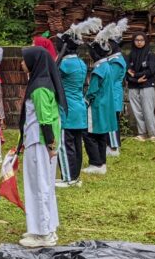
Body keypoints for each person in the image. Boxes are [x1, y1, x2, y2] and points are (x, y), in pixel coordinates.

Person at [17, 46, 64, 248]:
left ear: (34, 62)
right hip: (39, 141)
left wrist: (51, 144)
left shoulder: (39, 88)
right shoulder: (41, 83)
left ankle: (44, 233)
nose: (21, 63)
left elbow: (45, 119)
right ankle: (44, 228)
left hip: (40, 142)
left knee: (39, 185)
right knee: (43, 185)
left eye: (24, 60)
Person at [83, 20, 126, 175]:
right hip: (106, 97)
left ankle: (109, 150)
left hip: (103, 100)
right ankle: (103, 157)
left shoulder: (103, 67)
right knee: (104, 128)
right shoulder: (107, 64)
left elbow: (94, 89)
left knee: (98, 129)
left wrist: (85, 100)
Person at [53, 34, 87, 188]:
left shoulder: (64, 65)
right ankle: (75, 176)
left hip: (67, 109)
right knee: (76, 144)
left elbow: (52, 78)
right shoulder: (81, 63)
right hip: (79, 108)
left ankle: (68, 178)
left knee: (65, 144)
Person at [126, 33, 155, 141]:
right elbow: (126, 73)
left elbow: (151, 71)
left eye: (141, 40)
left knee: (148, 110)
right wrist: (136, 80)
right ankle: (142, 133)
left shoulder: (150, 55)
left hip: (147, 85)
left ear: (145, 41)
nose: (139, 42)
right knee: (137, 111)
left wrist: (135, 75)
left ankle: (152, 134)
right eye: (136, 40)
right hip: (133, 86)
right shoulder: (130, 55)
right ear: (133, 41)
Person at [106, 38, 128, 156]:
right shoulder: (114, 59)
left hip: (113, 94)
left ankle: (114, 147)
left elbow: (110, 78)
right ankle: (110, 145)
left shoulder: (117, 60)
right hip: (111, 93)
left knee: (112, 121)